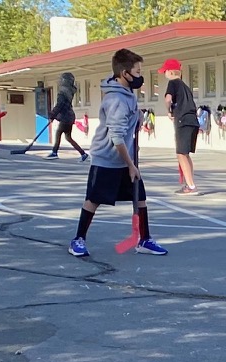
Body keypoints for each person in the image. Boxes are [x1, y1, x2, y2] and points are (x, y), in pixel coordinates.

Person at [69, 49, 166, 258]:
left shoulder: (128, 94)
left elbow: (128, 121)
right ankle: (78, 240)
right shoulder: (116, 100)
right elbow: (116, 137)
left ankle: (144, 239)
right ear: (124, 73)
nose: (140, 76)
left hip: (125, 157)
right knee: (93, 199)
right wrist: (131, 165)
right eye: (138, 71)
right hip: (107, 158)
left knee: (139, 197)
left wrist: (138, 116)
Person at [161, 59, 198, 194]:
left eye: (165, 71)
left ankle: (191, 186)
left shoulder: (173, 83)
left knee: (181, 153)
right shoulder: (185, 86)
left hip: (183, 120)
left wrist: (169, 111)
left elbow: (168, 99)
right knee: (186, 154)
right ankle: (190, 182)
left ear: (171, 72)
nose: (164, 73)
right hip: (192, 120)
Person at [47, 72, 83, 159]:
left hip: (65, 117)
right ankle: (83, 153)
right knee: (68, 137)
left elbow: (60, 105)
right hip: (70, 116)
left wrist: (52, 115)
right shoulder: (70, 91)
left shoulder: (62, 93)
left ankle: (54, 152)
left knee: (58, 133)